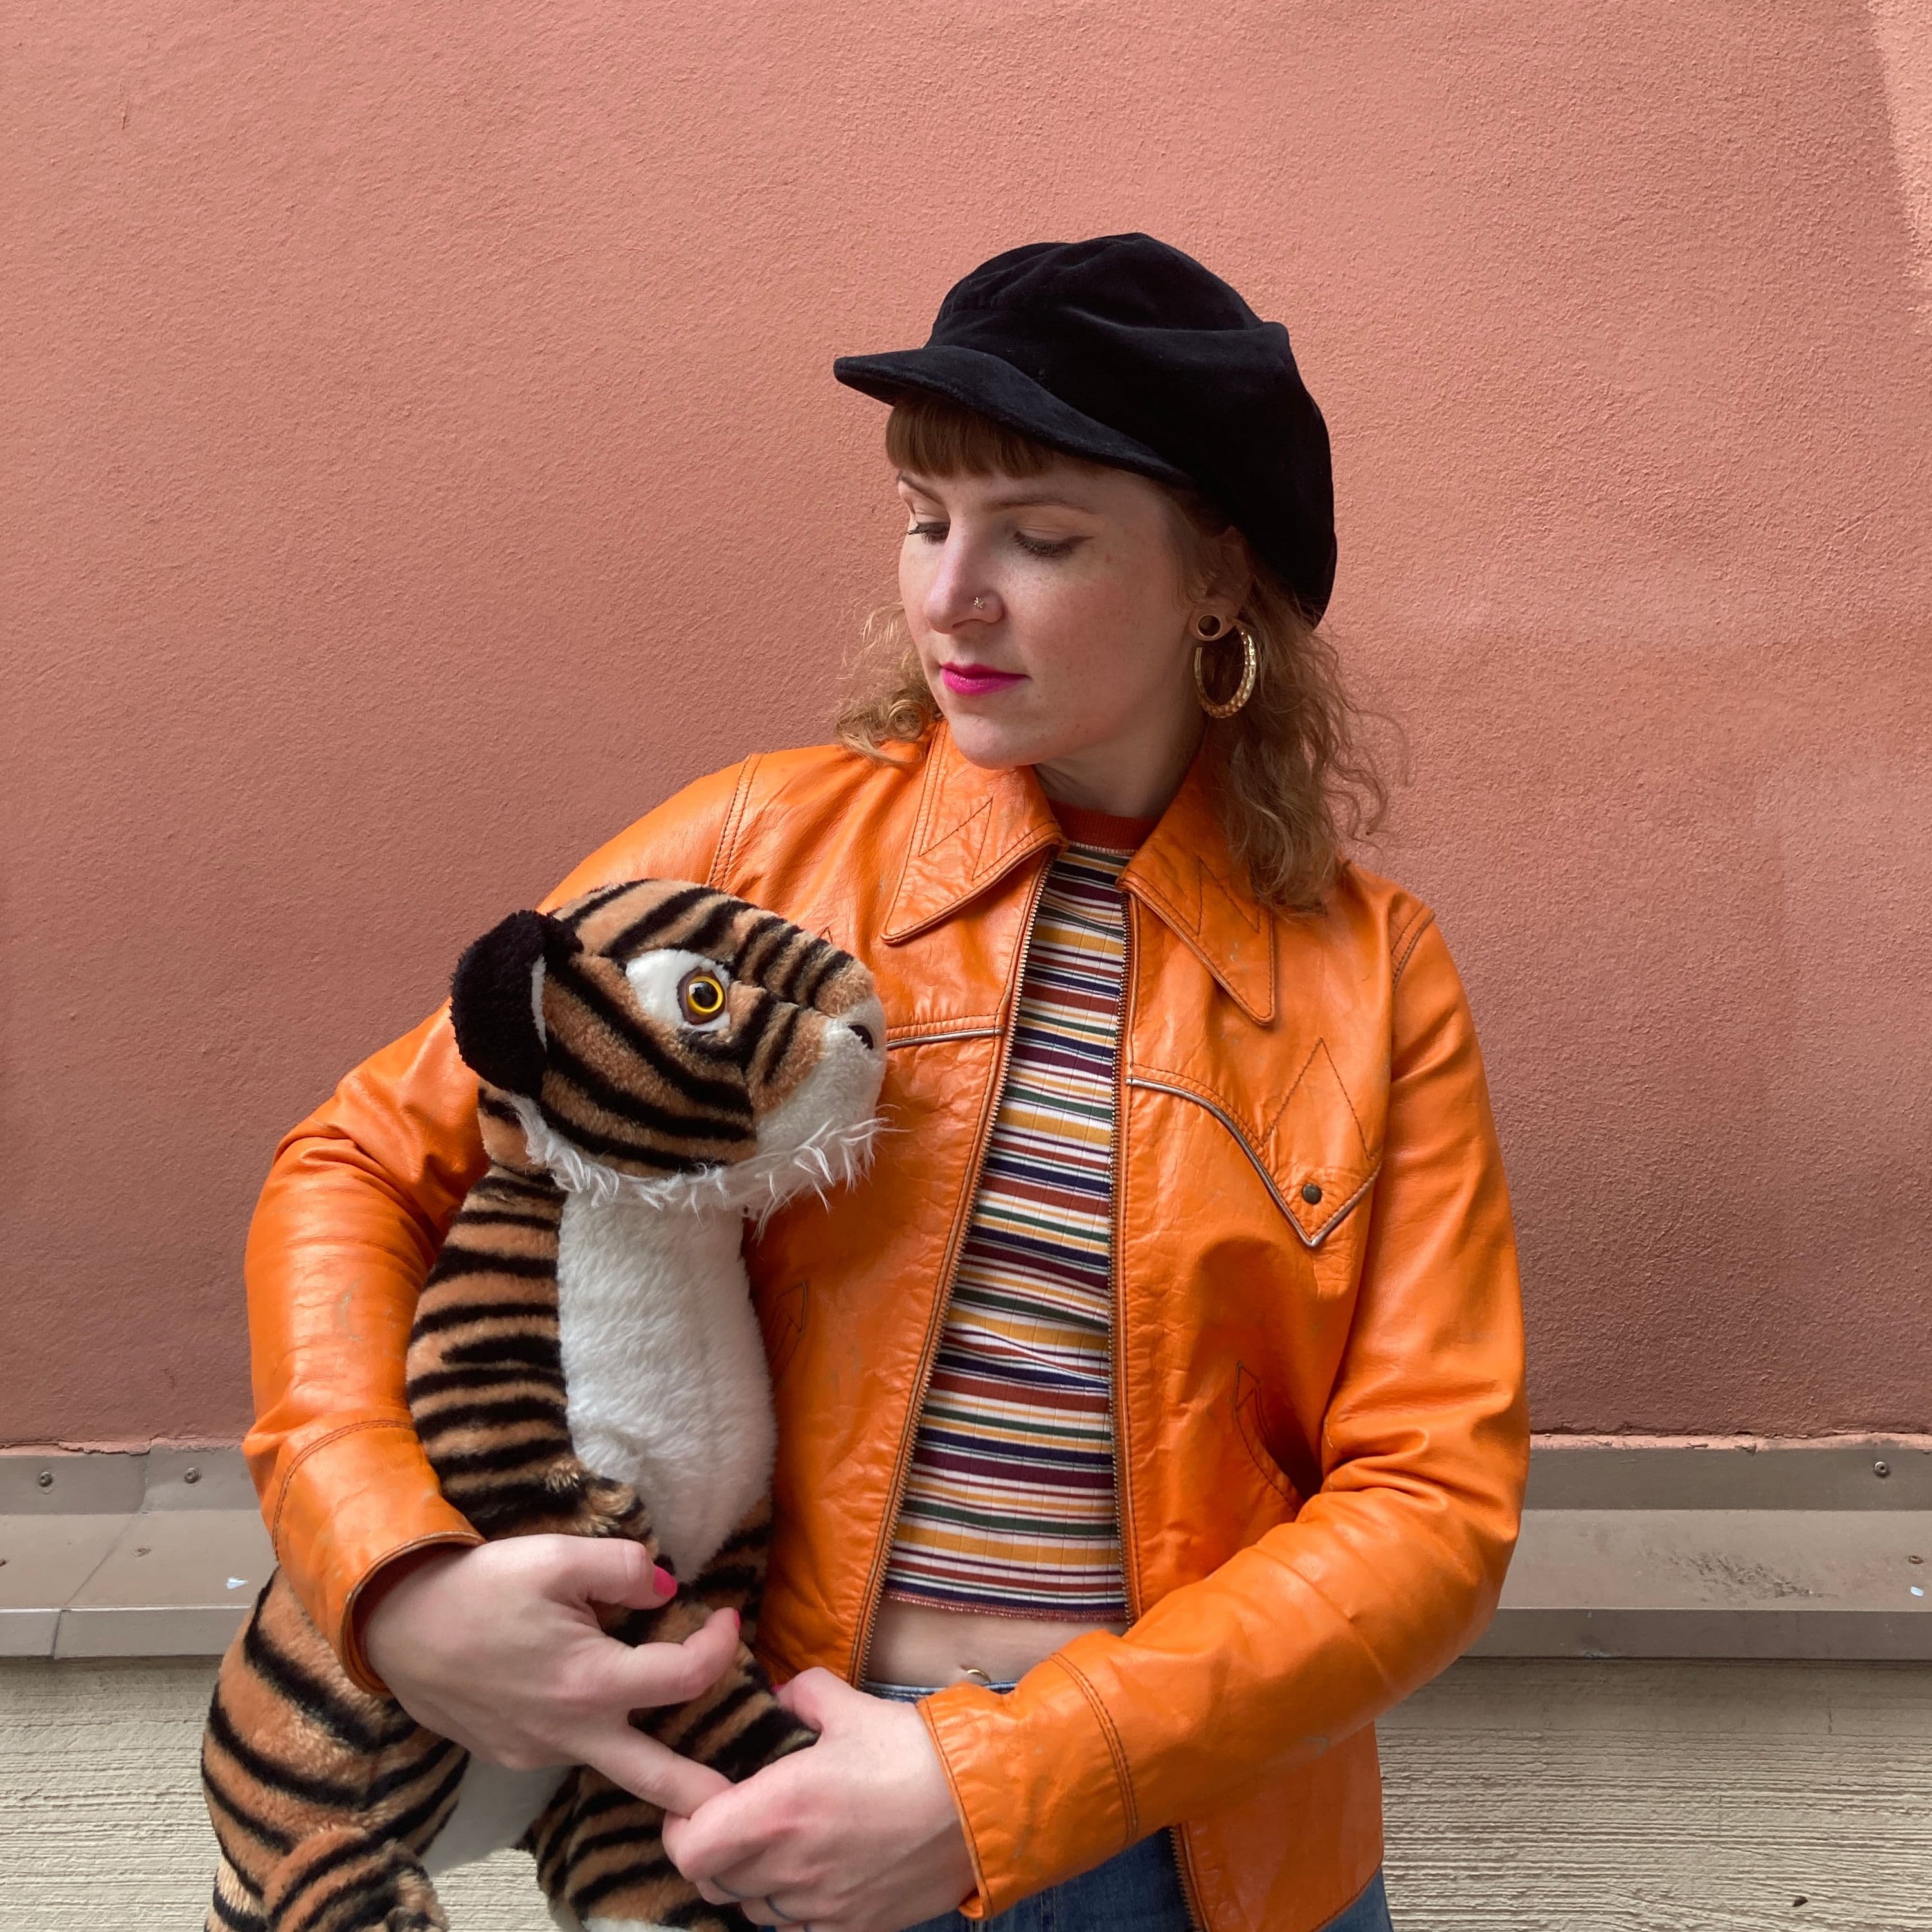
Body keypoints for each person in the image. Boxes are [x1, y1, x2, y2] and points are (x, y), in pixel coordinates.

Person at [242, 233, 1527, 1932]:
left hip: (1204, 1855)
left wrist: (1005, 1782)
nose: (951, 595)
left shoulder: (1375, 976)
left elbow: (1432, 1499)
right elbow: (355, 1164)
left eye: (1040, 538)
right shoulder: (758, 851)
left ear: (1219, 577)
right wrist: (391, 1572)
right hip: (780, 1807)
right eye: (927, 521)